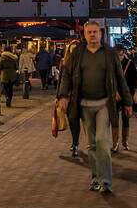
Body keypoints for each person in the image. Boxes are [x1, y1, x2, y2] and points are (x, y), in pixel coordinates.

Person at [56, 20, 132, 195]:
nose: (92, 35)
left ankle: (106, 181)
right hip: (84, 105)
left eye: (95, 32)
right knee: (91, 144)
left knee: (102, 141)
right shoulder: (77, 54)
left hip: (104, 104)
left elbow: (120, 78)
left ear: (101, 34)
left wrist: (127, 101)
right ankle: (96, 178)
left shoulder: (110, 54)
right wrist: (63, 95)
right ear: (84, 34)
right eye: (89, 32)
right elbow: (66, 75)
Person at [117, 44, 137, 150]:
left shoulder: (129, 64)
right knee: (114, 119)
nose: (119, 55)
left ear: (124, 52)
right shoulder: (111, 64)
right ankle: (115, 142)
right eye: (117, 53)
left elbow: (135, 80)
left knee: (125, 117)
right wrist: (114, 92)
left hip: (127, 94)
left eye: (120, 52)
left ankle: (125, 141)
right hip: (115, 95)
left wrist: (136, 93)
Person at [0, 43, 20, 108]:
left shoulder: (2, 57)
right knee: (10, 88)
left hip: (4, 74)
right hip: (12, 75)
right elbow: (16, 67)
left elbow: (0, 67)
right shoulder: (13, 58)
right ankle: (9, 98)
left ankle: (7, 97)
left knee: (6, 87)